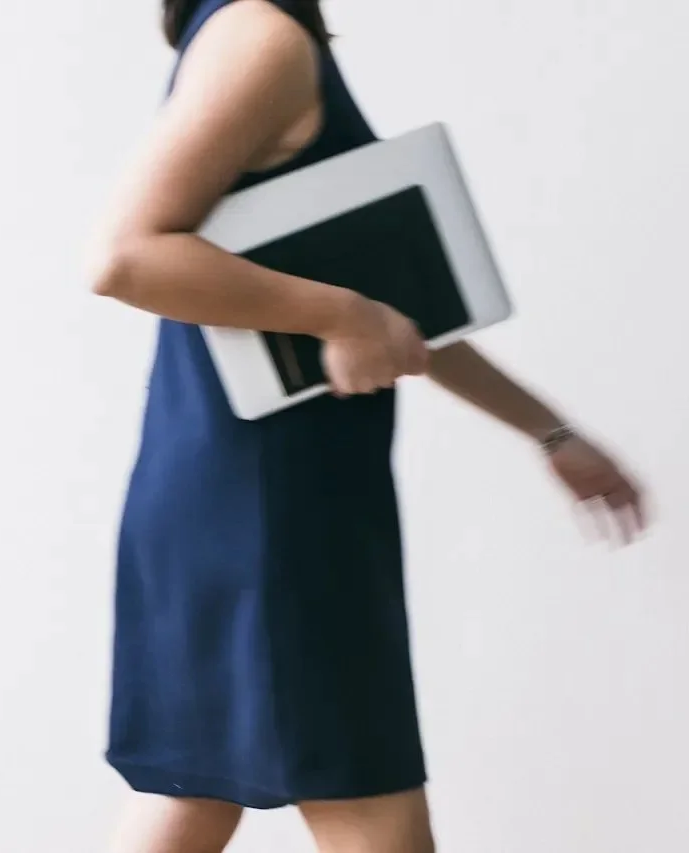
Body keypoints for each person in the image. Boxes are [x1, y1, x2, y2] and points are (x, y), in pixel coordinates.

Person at [87, 1, 648, 851]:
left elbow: (398, 320)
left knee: (192, 795)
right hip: (276, 504)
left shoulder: (252, 30)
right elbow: (125, 257)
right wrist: (337, 313)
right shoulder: (259, 36)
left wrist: (549, 431)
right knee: (366, 811)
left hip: (233, 488)